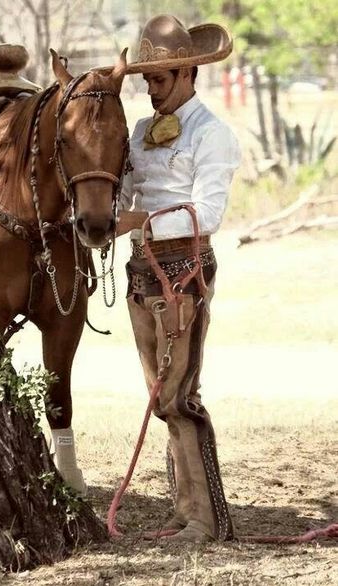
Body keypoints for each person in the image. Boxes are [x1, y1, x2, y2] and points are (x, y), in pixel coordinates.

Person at [117, 14, 241, 542]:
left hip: (183, 267)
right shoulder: (141, 131)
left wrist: (141, 220)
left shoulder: (213, 133)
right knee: (158, 393)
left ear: (189, 73)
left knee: (179, 394)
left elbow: (208, 212)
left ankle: (206, 518)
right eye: (146, 80)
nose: (151, 90)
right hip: (143, 267)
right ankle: (184, 507)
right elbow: (124, 191)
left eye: (160, 79)